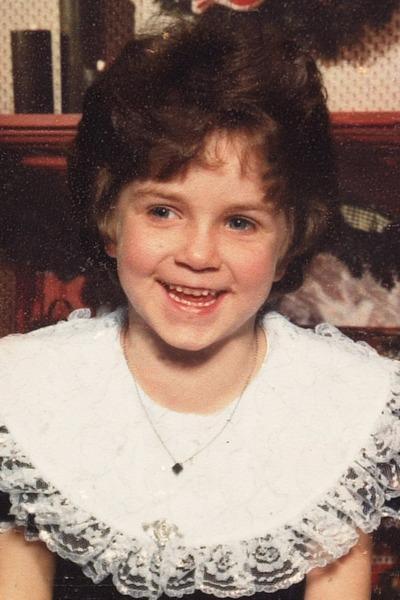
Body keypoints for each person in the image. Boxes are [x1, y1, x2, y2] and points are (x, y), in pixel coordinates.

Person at [0, 7, 398, 600]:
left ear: (289, 244)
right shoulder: (27, 389)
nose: (198, 255)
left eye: (240, 222)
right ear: (110, 219)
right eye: (163, 211)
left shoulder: (346, 405)